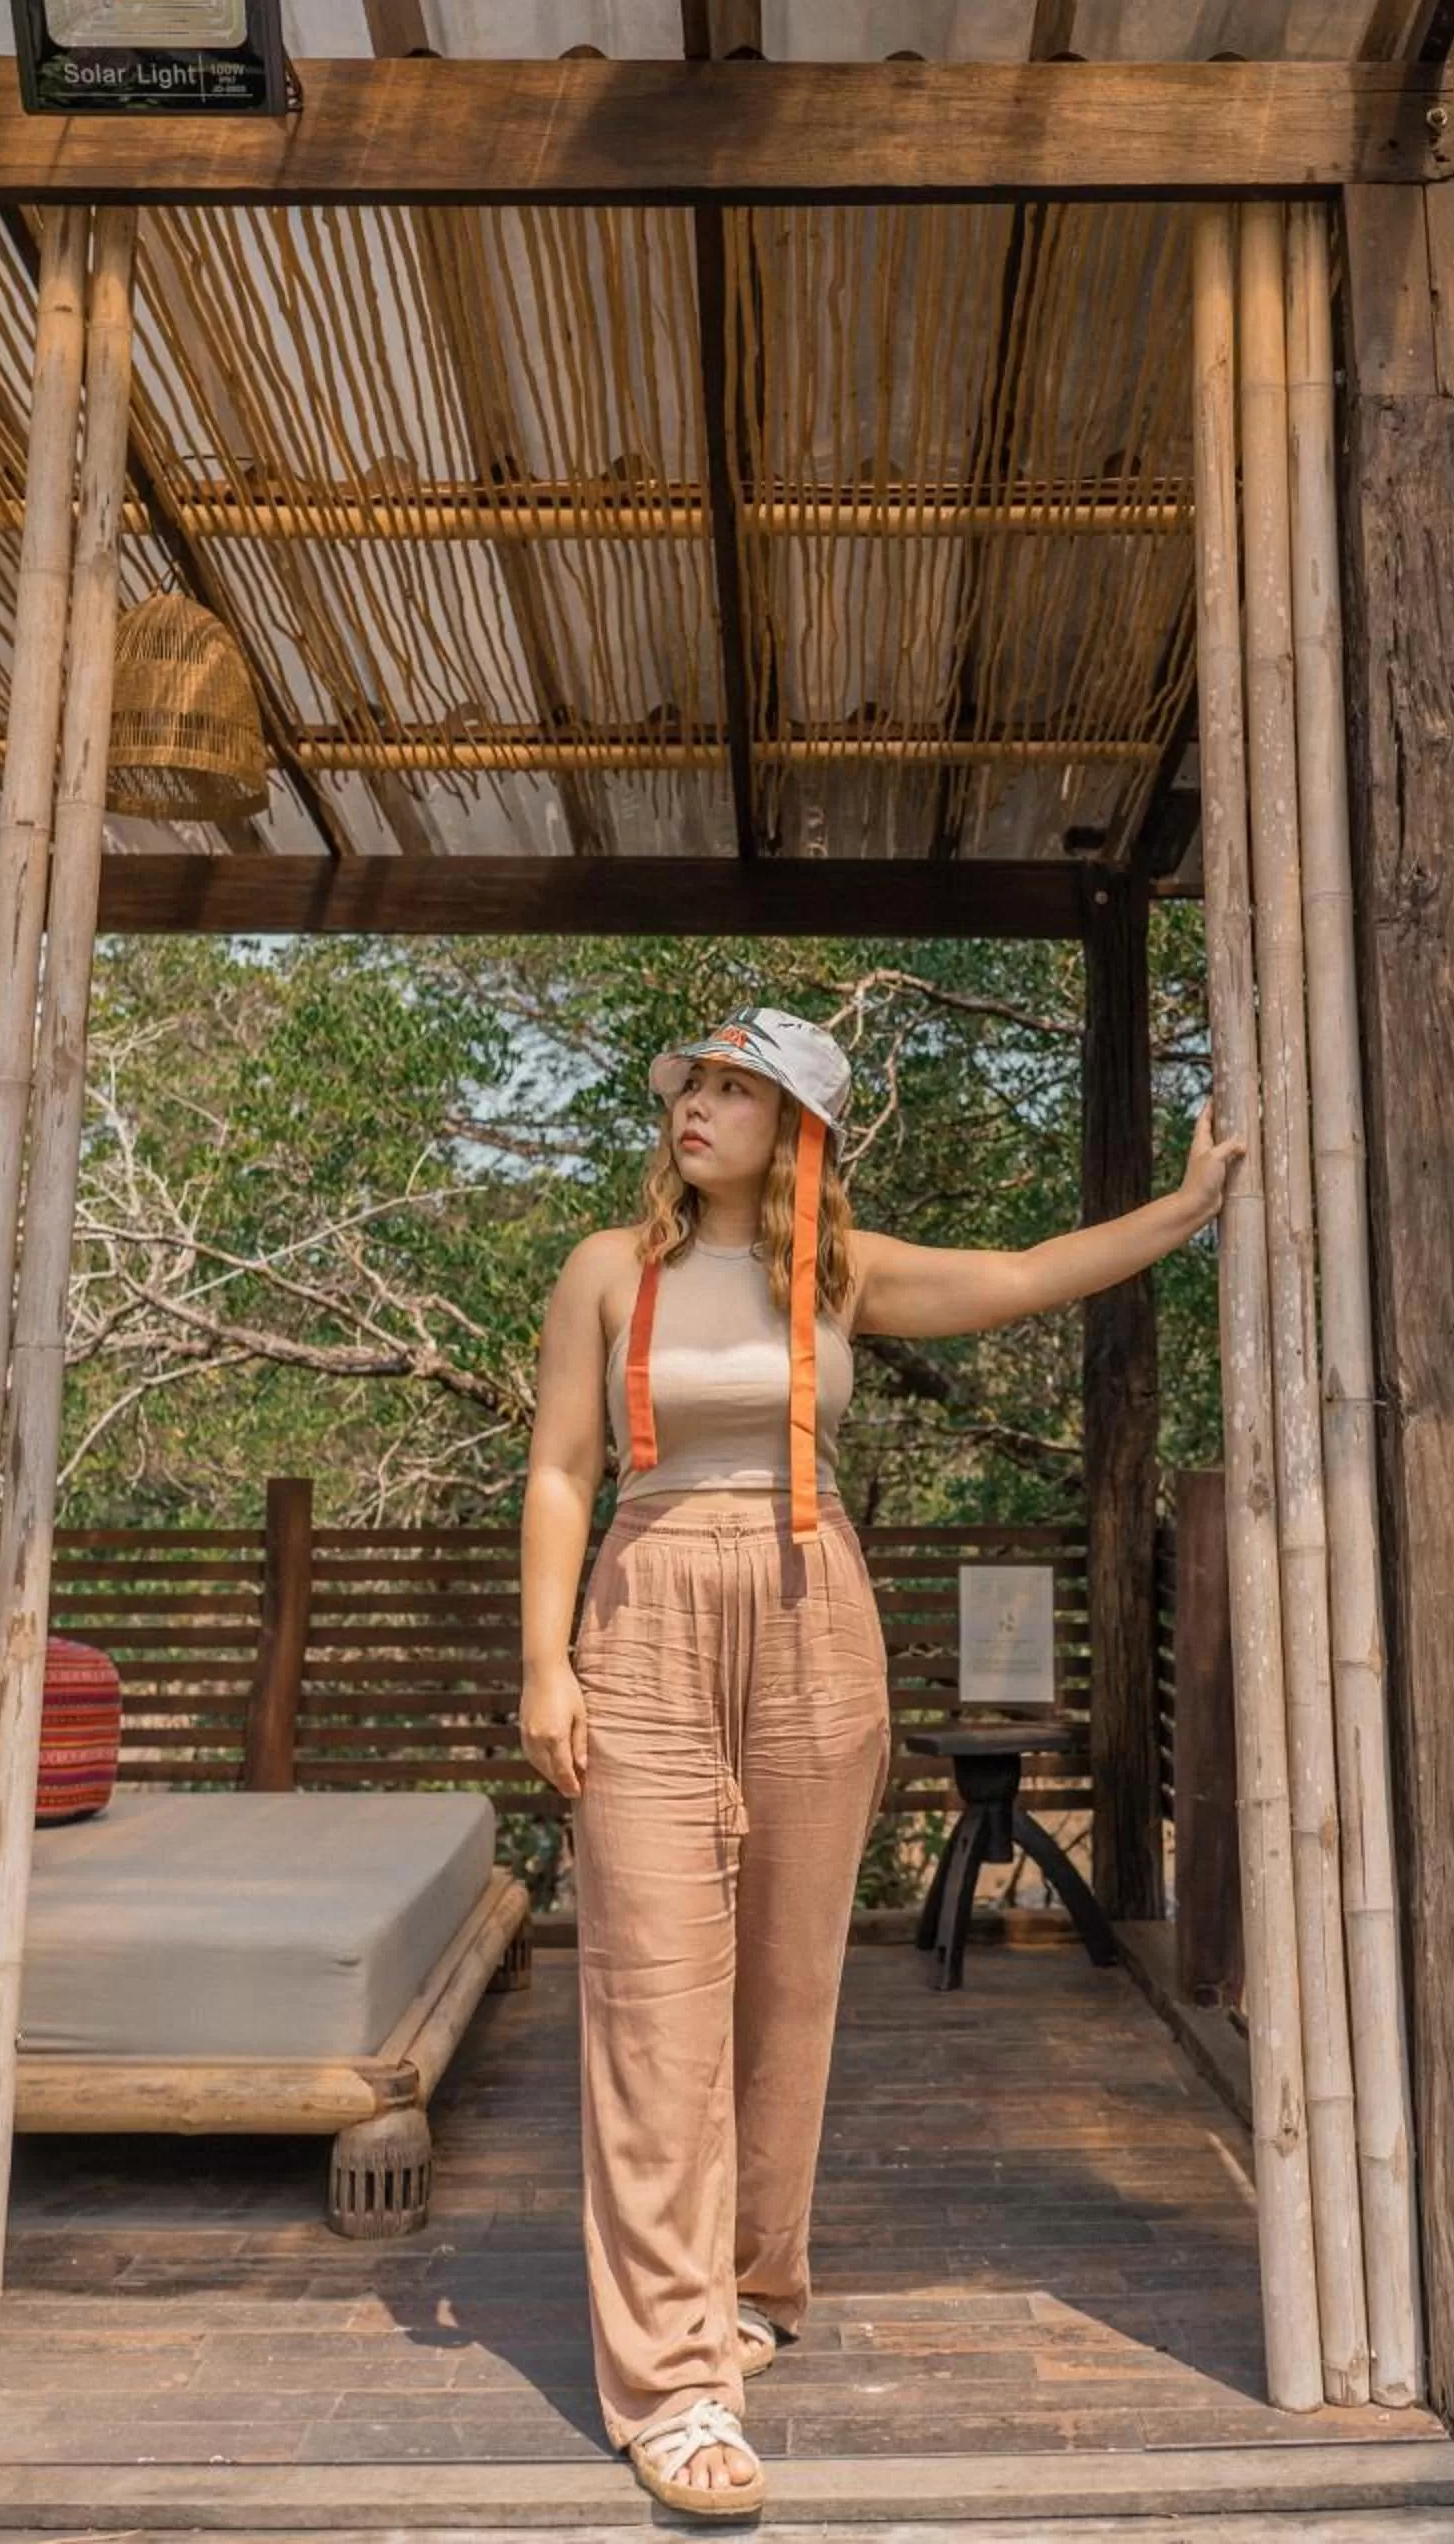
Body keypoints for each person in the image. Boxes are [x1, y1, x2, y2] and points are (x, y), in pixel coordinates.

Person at [518, 1003, 1240, 2520]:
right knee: (651, 1992)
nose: (699, 1107)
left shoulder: (834, 1272)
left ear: (799, 1129)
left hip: (810, 1612)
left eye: (736, 1090)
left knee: (788, 1978)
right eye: (695, 1084)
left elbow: (1031, 1274)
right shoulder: (606, 1270)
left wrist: (1182, 1209)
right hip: (644, 1613)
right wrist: (544, 1664)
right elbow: (562, 1468)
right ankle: (672, 2384)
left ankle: (756, 2280)